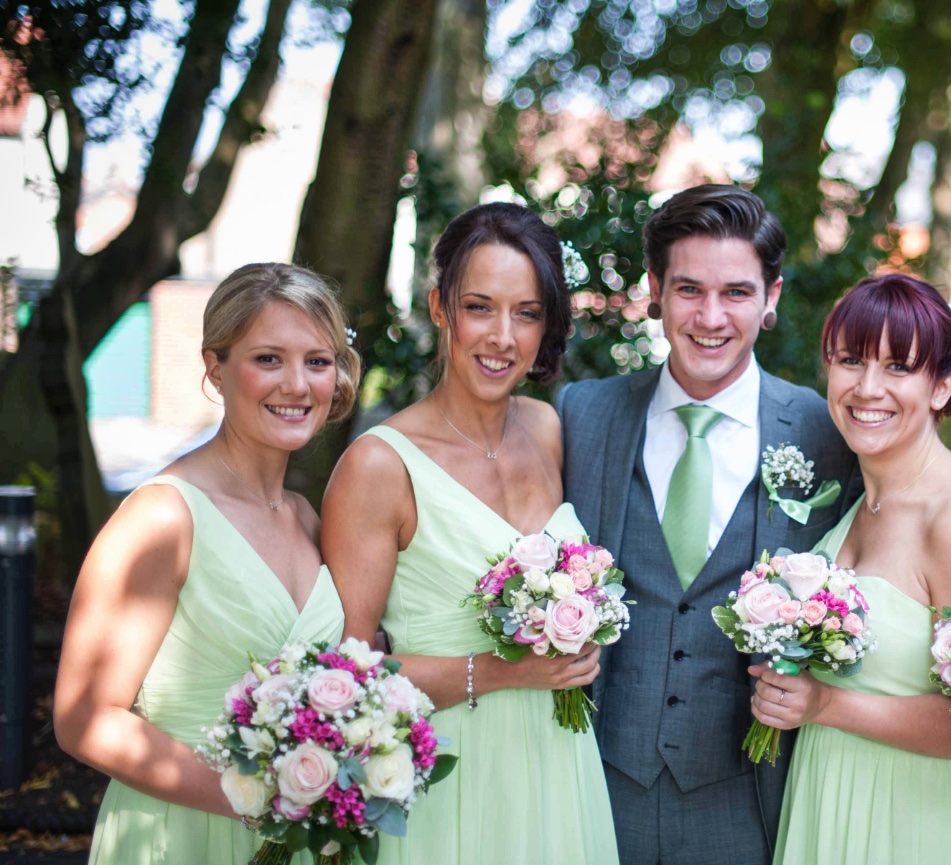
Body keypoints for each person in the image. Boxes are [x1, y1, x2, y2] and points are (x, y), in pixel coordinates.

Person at [555, 184, 860, 865]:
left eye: (737, 293)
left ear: (772, 296)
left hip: (752, 801)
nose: (711, 317)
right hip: (595, 789)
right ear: (655, 289)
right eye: (689, 289)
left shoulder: (826, 431)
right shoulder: (583, 415)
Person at [321, 202, 618, 864]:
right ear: (439, 307)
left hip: (558, 763)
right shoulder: (379, 464)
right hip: (448, 778)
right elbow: (343, 674)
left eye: (527, 312)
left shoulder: (548, 430)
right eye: (480, 307)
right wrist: (503, 670)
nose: (502, 336)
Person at [54, 263, 358, 864]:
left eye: (317, 361)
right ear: (215, 368)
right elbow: (85, 719)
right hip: (182, 834)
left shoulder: (308, 519)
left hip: (302, 840)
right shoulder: (163, 518)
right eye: (268, 359)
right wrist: (264, 799)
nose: (297, 384)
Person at [747, 273, 951, 864]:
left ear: (943, 387)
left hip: (916, 822)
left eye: (898, 367)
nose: (867, 388)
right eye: (851, 360)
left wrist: (824, 706)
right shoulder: (860, 498)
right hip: (830, 798)